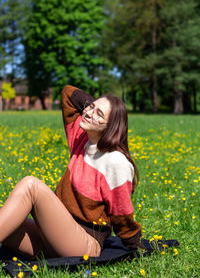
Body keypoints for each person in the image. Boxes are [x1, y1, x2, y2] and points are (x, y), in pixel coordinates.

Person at [0, 85, 143, 259]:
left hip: (85, 244)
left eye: (99, 114)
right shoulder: (82, 138)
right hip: (55, 234)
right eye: (90, 107)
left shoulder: (115, 161)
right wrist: (94, 107)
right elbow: (68, 93)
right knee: (8, 220)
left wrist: (135, 244)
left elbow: (122, 214)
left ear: (111, 126)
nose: (89, 113)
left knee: (32, 186)